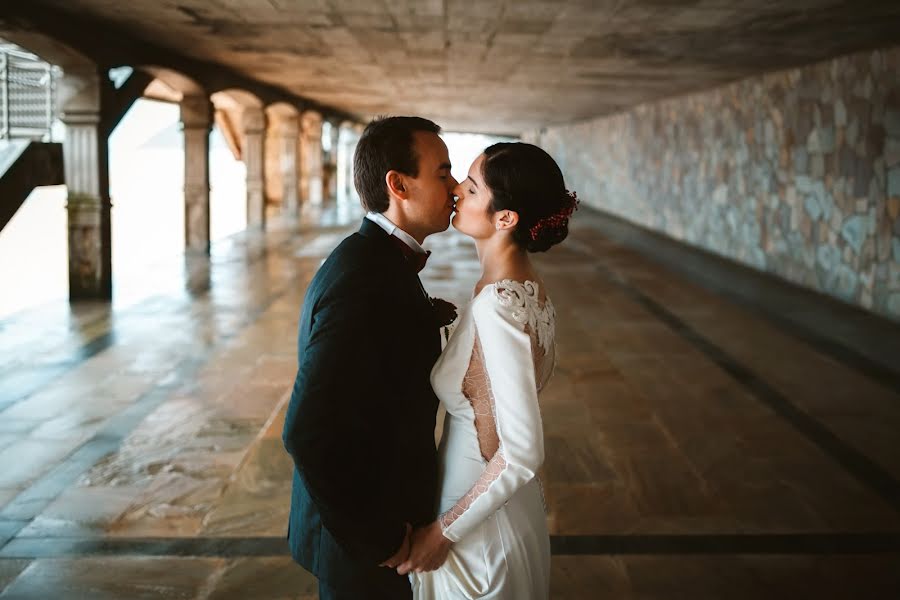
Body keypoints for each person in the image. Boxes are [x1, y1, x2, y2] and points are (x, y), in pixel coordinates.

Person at [282, 116, 458, 600]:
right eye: (442, 172)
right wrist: (380, 540)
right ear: (398, 184)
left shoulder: (378, 261)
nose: (457, 185)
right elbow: (307, 431)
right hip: (362, 546)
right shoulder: (363, 279)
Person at [400, 142, 578, 599]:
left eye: (472, 186)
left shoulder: (499, 305)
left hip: (478, 530)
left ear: (505, 218)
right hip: (501, 509)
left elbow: (521, 451)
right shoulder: (529, 291)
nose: (457, 188)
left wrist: (443, 533)